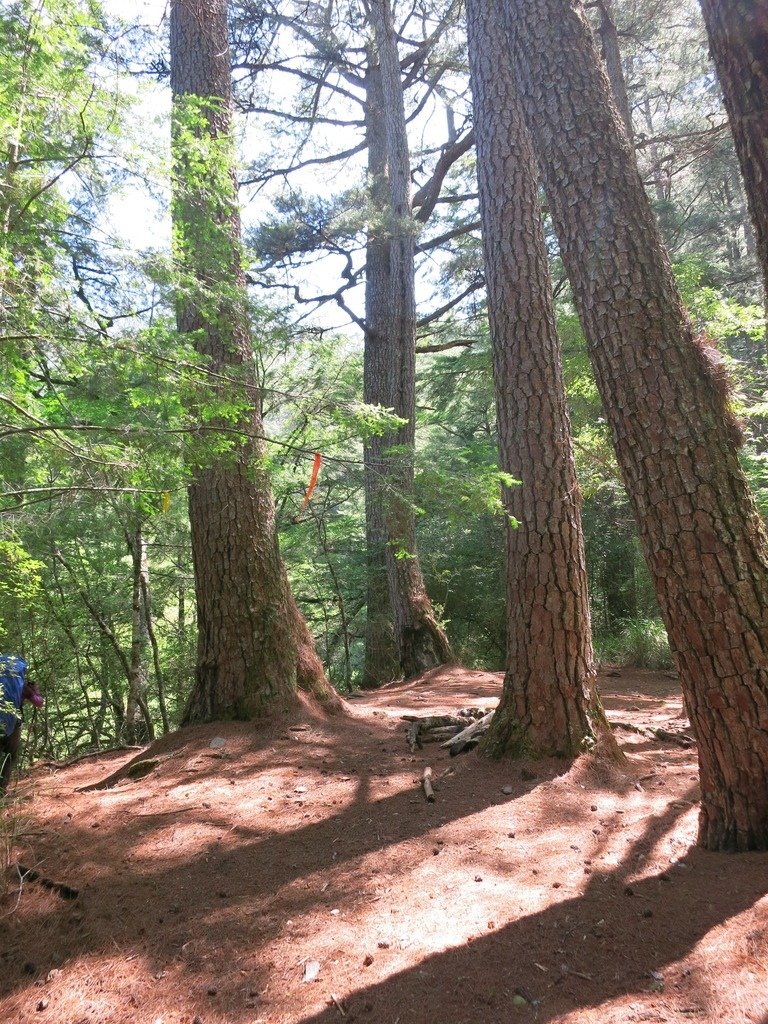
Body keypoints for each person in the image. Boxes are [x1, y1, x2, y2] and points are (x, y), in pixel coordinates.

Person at [0, 654, 43, 795]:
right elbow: (39, 702)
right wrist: (35, 690)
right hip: (12, 726)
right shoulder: (23, 687)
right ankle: (1, 789)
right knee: (11, 755)